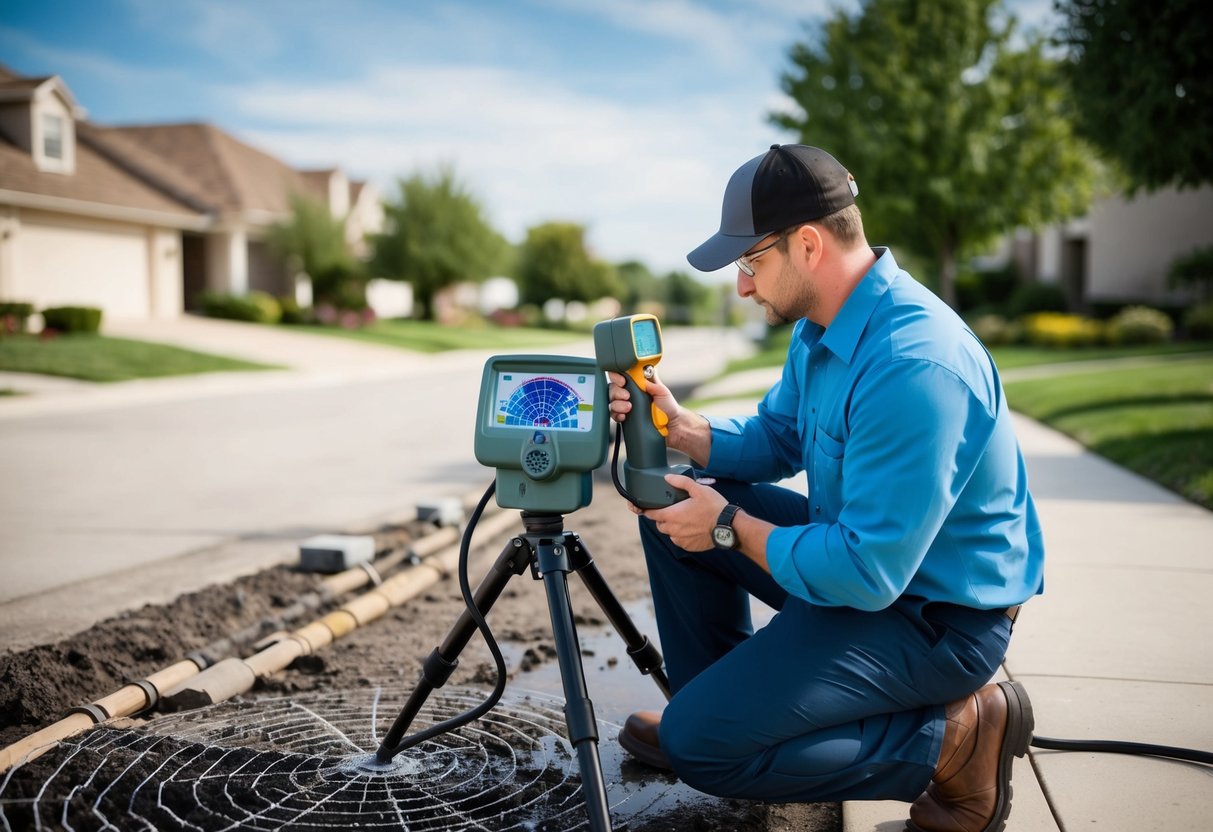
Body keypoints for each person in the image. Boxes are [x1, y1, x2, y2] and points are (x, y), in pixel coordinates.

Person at [607, 144, 1044, 832]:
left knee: (699, 746)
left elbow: (868, 574)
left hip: (935, 618)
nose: (743, 286)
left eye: (749, 263)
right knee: (669, 509)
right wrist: (686, 430)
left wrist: (728, 527)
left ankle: (955, 738)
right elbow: (780, 437)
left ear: (806, 244)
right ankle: (729, 707)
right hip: (867, 570)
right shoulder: (822, 328)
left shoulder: (913, 364)